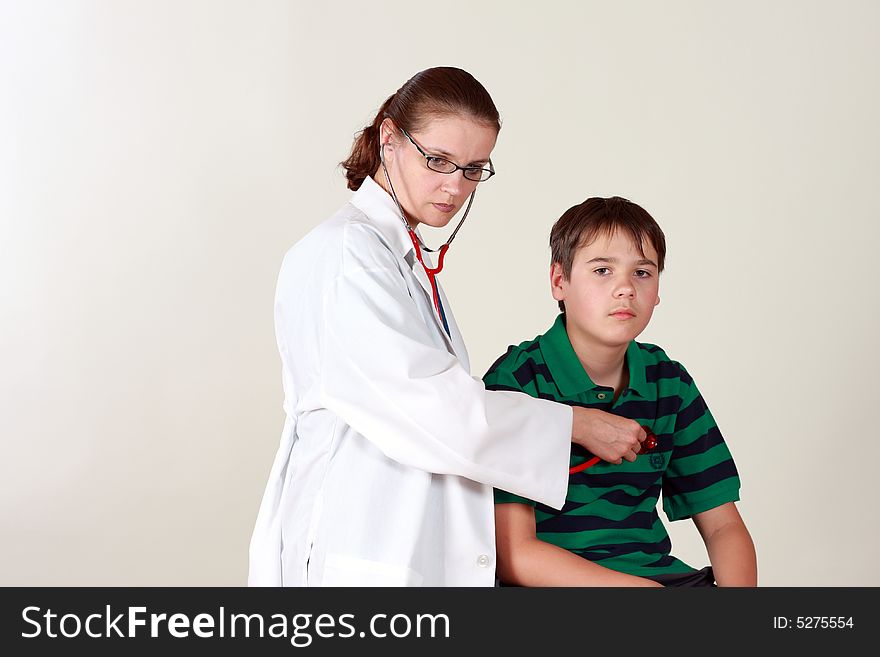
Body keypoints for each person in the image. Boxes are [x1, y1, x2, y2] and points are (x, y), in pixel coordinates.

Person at [247, 67, 648, 586]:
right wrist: (576, 423)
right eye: (437, 160)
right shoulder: (345, 254)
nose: (454, 186)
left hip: (403, 544)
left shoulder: (399, 257)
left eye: (474, 168)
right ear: (389, 138)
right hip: (359, 544)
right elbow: (430, 408)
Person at [487, 197, 757, 587]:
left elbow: (722, 526)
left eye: (642, 273)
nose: (625, 289)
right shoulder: (517, 383)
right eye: (602, 270)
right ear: (559, 282)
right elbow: (514, 555)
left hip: (657, 579)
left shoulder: (669, 383)